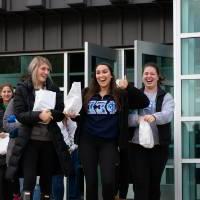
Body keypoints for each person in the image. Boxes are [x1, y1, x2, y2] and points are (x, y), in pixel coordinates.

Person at [68, 62, 149, 200]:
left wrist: (128, 86)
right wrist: (72, 115)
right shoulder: (86, 93)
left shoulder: (120, 94)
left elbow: (144, 102)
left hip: (109, 143)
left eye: (105, 72)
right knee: (91, 182)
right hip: (87, 142)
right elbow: (77, 115)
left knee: (108, 181)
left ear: (111, 75)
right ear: (95, 76)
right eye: (98, 72)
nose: (101, 75)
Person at [6, 56, 71, 200]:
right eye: (43, 68)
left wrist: (51, 114)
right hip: (29, 141)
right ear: (34, 69)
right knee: (29, 180)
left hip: (49, 141)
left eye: (48, 69)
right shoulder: (22, 89)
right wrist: (39, 116)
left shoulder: (53, 88)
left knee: (47, 180)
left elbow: (60, 112)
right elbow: (20, 114)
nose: (46, 72)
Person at [128, 62, 174, 200]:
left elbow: (168, 115)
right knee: (140, 183)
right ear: (142, 77)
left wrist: (154, 116)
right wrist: (138, 119)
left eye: (152, 73)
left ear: (158, 77)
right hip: (137, 146)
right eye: (146, 73)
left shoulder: (166, 96)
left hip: (158, 147)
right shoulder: (135, 95)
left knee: (154, 184)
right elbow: (126, 119)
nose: (149, 76)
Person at [0, 83, 20, 200]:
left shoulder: (17, 107)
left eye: (9, 91)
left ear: (12, 93)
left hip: (12, 145)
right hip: (0, 150)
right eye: (4, 91)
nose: (6, 94)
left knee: (12, 176)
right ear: (0, 93)